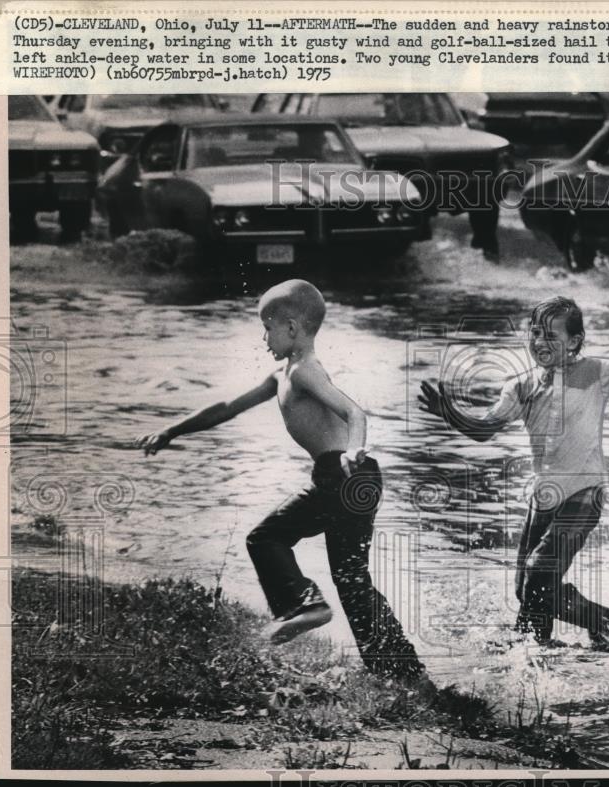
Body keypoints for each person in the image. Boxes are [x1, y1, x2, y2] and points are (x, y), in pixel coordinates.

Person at [136, 279, 426, 681]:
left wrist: (352, 450)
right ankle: (403, 674)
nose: (263, 338)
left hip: (343, 473)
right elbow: (226, 407)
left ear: (291, 328)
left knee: (265, 538)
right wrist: (172, 430)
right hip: (353, 479)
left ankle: (305, 605)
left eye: (267, 327)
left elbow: (355, 413)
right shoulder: (280, 375)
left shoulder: (306, 371)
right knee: (352, 581)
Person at [419, 296, 609, 650]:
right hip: (544, 497)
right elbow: (484, 429)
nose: (539, 342)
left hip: (585, 494)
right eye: (535, 333)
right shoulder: (520, 385)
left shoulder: (598, 372)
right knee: (526, 590)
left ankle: (602, 621)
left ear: (575, 341)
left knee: (537, 577)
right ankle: (538, 655)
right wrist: (448, 412)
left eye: (551, 335)